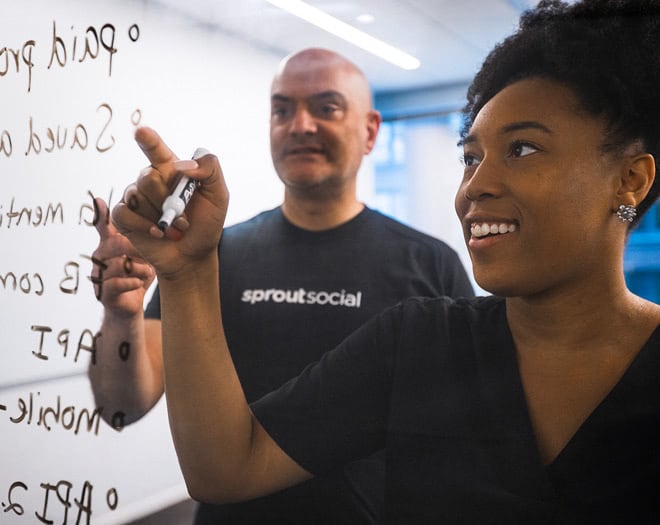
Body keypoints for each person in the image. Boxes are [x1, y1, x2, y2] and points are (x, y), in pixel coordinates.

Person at [109, 0, 660, 520]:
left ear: (630, 179)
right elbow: (222, 468)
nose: (475, 186)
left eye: (522, 149)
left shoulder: (426, 265)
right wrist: (186, 273)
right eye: (470, 158)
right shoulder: (421, 343)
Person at [88, 48, 474, 524]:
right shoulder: (205, 258)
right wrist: (120, 316)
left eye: (326, 107)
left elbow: (461, 439)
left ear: (371, 130)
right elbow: (120, 406)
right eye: (283, 109)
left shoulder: (430, 264)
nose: (300, 125)